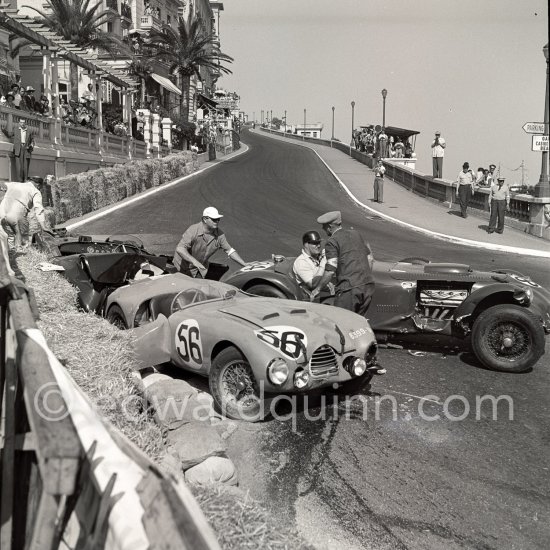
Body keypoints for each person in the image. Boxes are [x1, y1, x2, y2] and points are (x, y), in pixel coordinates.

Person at [173, 206, 248, 278]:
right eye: (214, 219)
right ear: (205, 219)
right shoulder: (193, 230)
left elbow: (229, 251)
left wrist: (244, 264)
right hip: (180, 268)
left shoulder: (220, 235)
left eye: (218, 219)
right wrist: (194, 262)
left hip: (199, 269)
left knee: (200, 289)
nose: (217, 221)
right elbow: (180, 249)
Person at [0, 180, 51, 250]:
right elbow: (38, 208)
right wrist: (43, 226)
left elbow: (2, 184)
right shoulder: (35, 191)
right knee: (23, 239)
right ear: (38, 185)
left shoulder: (14, 184)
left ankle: (12, 256)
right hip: (16, 212)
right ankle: (24, 254)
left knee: (10, 237)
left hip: (2, 212)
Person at [293, 231, 327, 300]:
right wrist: (323, 264)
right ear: (306, 245)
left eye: (319, 242)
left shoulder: (318, 257)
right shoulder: (301, 262)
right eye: (315, 243)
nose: (319, 245)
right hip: (312, 298)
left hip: (324, 291)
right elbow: (312, 284)